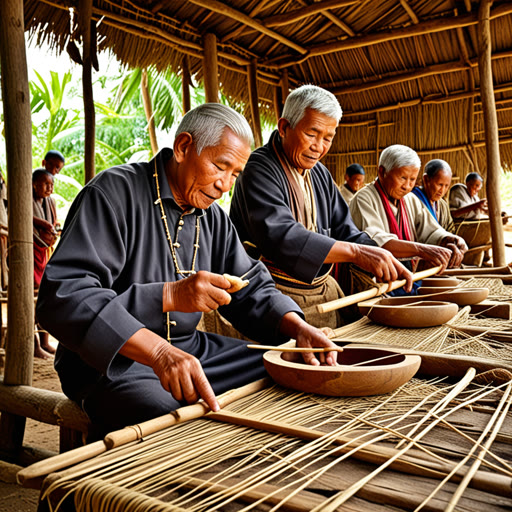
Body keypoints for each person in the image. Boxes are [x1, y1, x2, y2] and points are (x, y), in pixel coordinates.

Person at [36, 103, 339, 439]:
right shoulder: (112, 193)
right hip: (111, 362)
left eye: (234, 174)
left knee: (288, 370)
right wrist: (168, 303)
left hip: (191, 350)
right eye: (220, 166)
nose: (225, 185)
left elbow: (251, 288)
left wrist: (296, 327)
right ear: (183, 147)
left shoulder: (213, 218)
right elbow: (64, 296)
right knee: (171, 419)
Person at [230, 85, 413, 328]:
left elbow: (345, 230)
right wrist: (357, 253)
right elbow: (282, 236)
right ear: (284, 128)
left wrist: (380, 255)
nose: (319, 146)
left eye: (328, 138)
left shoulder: (320, 174)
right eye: (312, 134)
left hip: (324, 291)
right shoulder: (258, 169)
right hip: (273, 298)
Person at [349, 145, 467, 276]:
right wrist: (421, 250)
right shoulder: (363, 199)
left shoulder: (410, 199)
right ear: (382, 172)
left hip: (409, 277)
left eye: (412, 180)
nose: (407, 186)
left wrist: (450, 239)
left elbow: (430, 230)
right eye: (403, 178)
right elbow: (376, 243)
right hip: (376, 281)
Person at [32, 169, 59, 358]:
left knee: (43, 296)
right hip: (28, 253)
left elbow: (54, 223)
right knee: (28, 298)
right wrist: (43, 224)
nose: (49, 188)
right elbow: (20, 217)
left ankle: (45, 342)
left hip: (44, 253)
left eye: (51, 184)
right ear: (33, 184)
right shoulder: (25, 200)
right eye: (44, 184)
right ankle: (33, 345)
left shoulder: (50, 202)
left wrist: (53, 230)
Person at [412, 159, 455, 232]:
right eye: (440, 184)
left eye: (446, 186)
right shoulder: (412, 200)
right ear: (426, 180)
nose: (442, 190)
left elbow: (450, 228)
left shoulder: (443, 205)